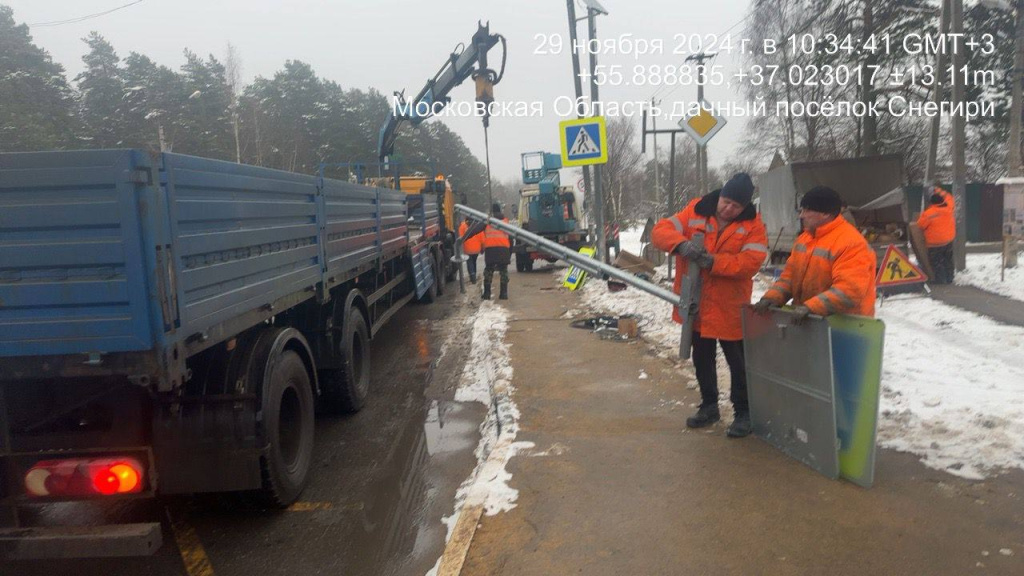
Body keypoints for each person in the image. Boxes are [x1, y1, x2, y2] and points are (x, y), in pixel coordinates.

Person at [652, 173, 769, 438]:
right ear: (720, 195)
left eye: (736, 206)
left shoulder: (753, 225)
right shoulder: (696, 210)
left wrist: (713, 263)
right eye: (726, 202)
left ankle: (743, 412)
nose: (729, 209)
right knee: (702, 356)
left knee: (737, 362)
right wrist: (680, 245)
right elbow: (660, 231)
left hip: (729, 305)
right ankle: (709, 406)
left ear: (744, 207)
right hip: (698, 302)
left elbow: (751, 262)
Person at [754, 186, 877, 321]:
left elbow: (849, 290)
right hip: (811, 321)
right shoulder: (804, 239)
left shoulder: (851, 243)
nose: (801, 216)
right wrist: (772, 297)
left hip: (846, 327)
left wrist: (811, 308)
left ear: (825, 213)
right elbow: (789, 277)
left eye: (807, 210)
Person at [461, 203, 511, 300]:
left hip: (491, 251)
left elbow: (475, 230)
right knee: (504, 271)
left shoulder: (488, 221)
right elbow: (511, 238)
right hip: (503, 250)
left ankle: (487, 293)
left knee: (488, 271)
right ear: (500, 210)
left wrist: (464, 238)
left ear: (492, 211)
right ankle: (504, 293)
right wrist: (510, 251)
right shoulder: (506, 222)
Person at [917, 186, 955, 284]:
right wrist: (937, 189)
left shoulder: (928, 213)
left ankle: (941, 280)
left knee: (937, 263)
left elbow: (920, 225)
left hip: (935, 243)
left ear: (931, 203)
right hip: (948, 241)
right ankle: (950, 278)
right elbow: (949, 197)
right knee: (948, 260)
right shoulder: (949, 208)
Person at [458, 216, 484, 283]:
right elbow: (482, 238)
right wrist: (482, 248)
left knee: (469, 263)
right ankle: (474, 275)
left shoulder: (462, 226)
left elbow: (460, 238)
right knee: (474, 262)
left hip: (467, 249)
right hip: (476, 249)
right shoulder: (477, 226)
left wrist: (460, 249)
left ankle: (472, 277)